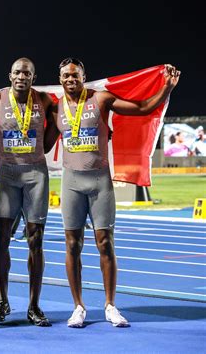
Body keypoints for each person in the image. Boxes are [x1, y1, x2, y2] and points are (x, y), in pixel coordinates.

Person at [47, 58, 180, 328]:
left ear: (84, 76)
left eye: (75, 75)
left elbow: (142, 108)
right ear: (60, 79)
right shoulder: (55, 107)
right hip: (71, 182)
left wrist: (166, 88)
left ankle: (110, 305)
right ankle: (78, 307)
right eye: (66, 76)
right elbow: (42, 140)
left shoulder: (102, 99)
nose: (70, 79)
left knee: (105, 243)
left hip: (99, 182)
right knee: (72, 245)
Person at [0, 58, 58, 326]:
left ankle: (34, 305)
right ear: (10, 75)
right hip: (7, 176)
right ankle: (3, 300)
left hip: (36, 175)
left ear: (33, 77)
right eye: (18, 72)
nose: (22, 76)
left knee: (36, 240)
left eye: (27, 73)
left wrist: (47, 141)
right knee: (0, 239)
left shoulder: (44, 100)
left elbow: (59, 124)